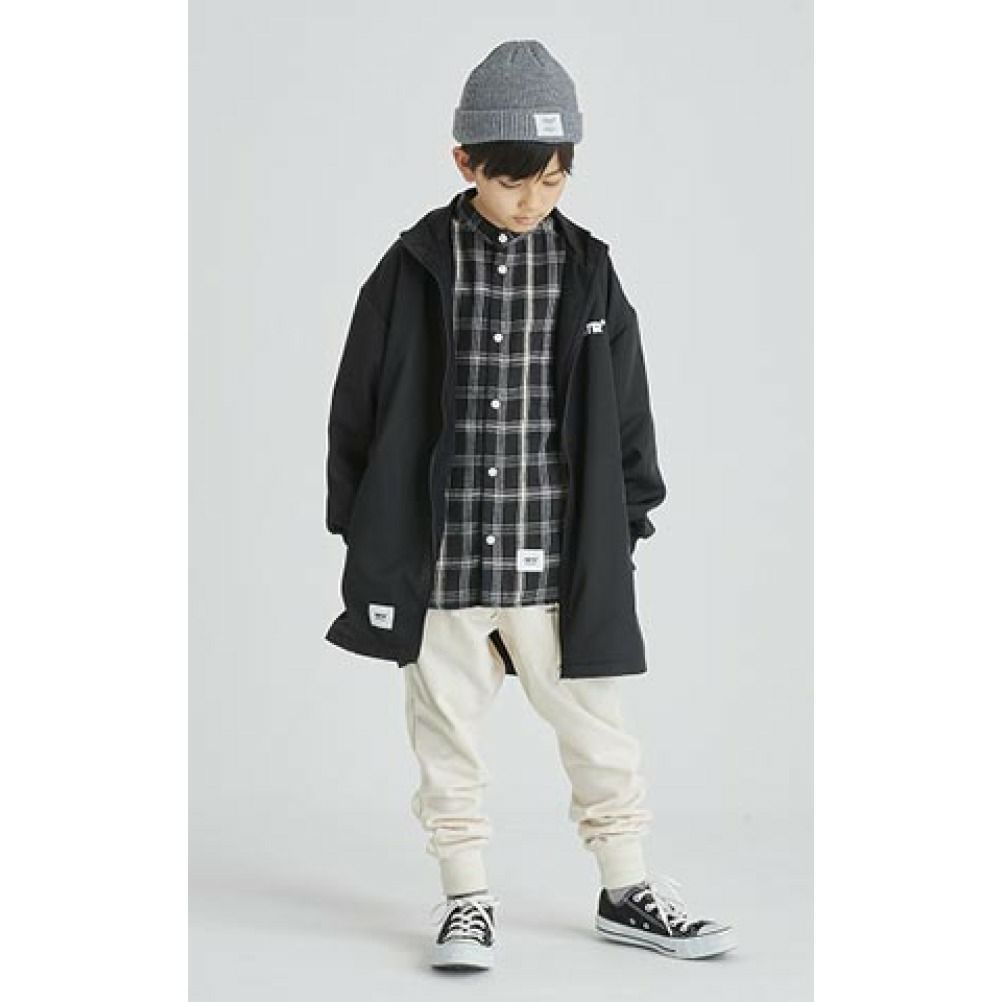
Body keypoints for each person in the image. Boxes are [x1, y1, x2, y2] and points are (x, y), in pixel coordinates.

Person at [324, 38, 736, 971]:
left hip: (555, 556)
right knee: (444, 737)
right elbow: (357, 405)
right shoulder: (411, 268)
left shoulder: (587, 268)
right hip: (441, 560)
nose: (532, 200)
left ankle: (626, 887)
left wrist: (628, 518)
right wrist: (364, 524)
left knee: (597, 729)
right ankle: (466, 898)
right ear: (465, 161)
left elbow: (627, 404)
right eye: (514, 181)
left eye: (552, 180)